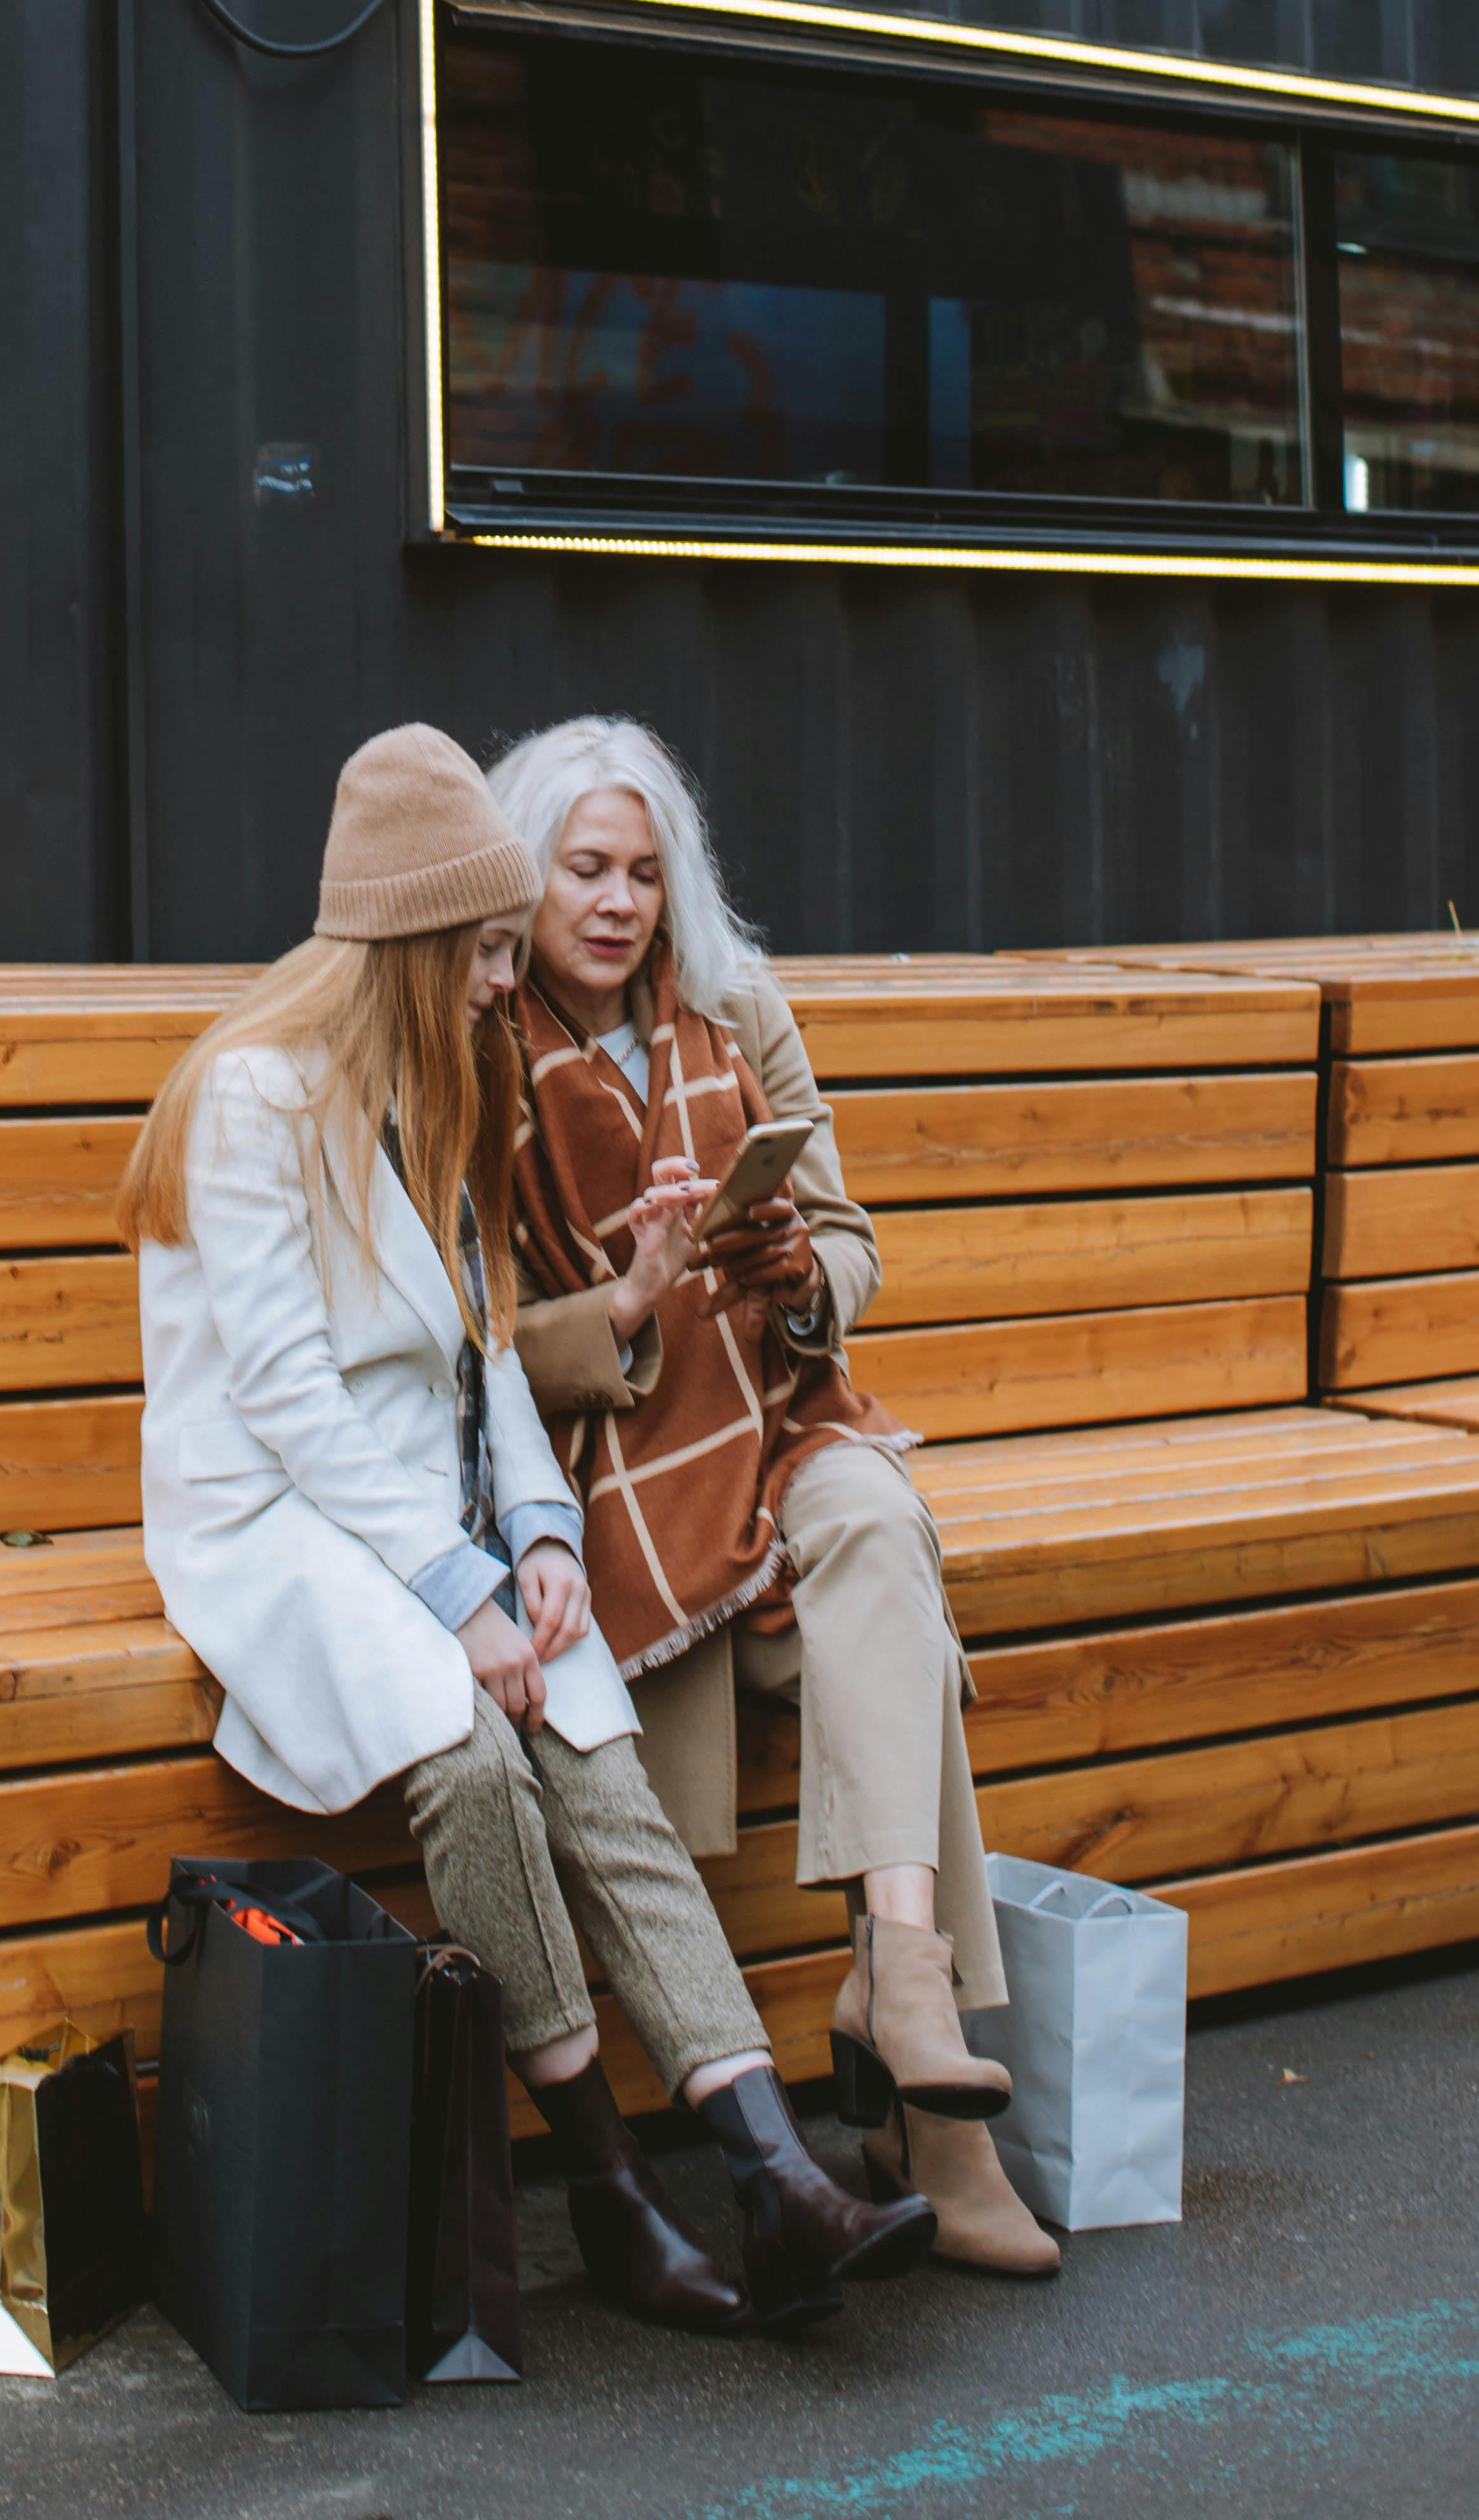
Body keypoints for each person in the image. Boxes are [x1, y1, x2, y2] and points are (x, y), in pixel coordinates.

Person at [119, 721, 936, 2339]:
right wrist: (454, 1590)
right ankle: (614, 2193)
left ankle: (773, 2175)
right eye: (490, 950)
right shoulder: (246, 1100)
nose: (511, 980)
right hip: (274, 1522)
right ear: (420, 941)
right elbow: (288, 1403)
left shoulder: (436, 1085)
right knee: (477, 1756)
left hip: (413, 1509)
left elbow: (488, 1348)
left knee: (595, 1754)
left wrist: (543, 1537)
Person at [483, 714, 1060, 2282]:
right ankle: (928, 2116)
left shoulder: (735, 1009)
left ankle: (902, 1975)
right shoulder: (475, 1044)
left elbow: (850, 1242)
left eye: (643, 876)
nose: (617, 905)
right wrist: (626, 1304)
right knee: (908, 1637)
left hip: (777, 1421)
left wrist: (799, 1276)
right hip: (606, 1482)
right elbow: (464, 1349)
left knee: (874, 1521)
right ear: (521, 881)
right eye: (583, 871)